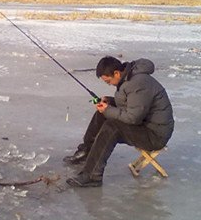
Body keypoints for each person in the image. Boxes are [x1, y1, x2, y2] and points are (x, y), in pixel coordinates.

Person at [65, 56, 174, 187]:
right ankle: (85, 152)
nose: (109, 84)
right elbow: (133, 104)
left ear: (117, 73)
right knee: (103, 114)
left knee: (112, 126)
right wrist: (110, 102)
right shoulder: (130, 78)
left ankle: (92, 175)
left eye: (108, 81)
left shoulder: (138, 83)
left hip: (155, 135)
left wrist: (108, 110)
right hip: (144, 124)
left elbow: (133, 117)